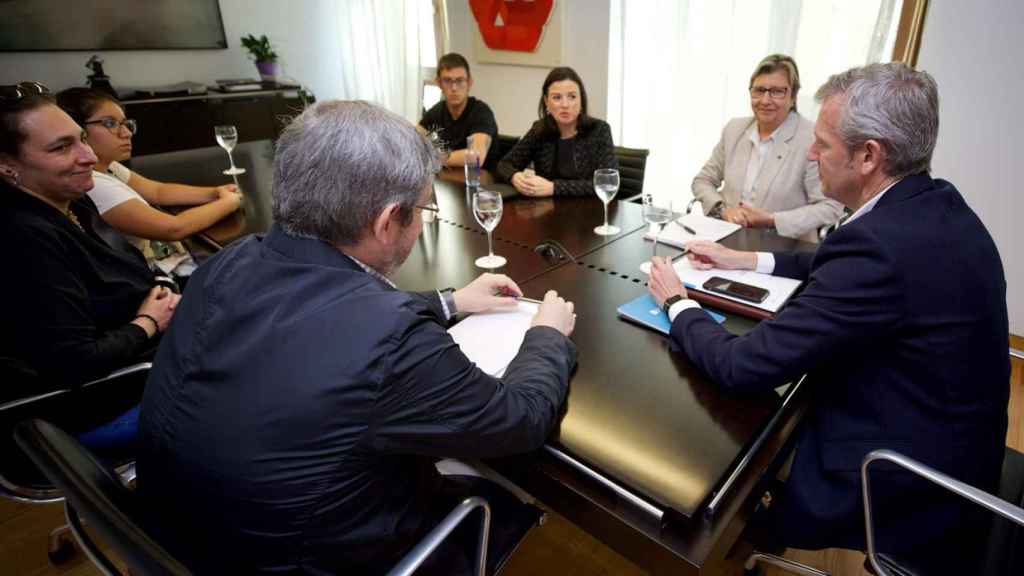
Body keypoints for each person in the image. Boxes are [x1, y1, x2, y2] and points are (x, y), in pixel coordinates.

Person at [137, 100, 578, 574]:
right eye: (422, 210)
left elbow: (318, 318)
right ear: (388, 221)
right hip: (306, 560)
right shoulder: (391, 338)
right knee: (497, 492)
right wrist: (547, 335)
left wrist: (451, 302)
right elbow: (520, 420)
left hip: (177, 544)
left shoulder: (230, 261)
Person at [648, 63, 1008, 568]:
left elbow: (742, 365)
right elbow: (833, 258)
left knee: (713, 482)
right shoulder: (928, 203)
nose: (812, 154)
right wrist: (748, 259)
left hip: (909, 481)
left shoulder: (880, 249)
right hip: (961, 443)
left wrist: (675, 301)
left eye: (823, 144)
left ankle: (734, 546)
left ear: (868, 156)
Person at [0, 82, 179, 455]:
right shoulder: (23, 239)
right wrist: (147, 324)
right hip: (95, 407)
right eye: (62, 147)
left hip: (151, 364)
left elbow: (132, 270)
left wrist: (159, 287)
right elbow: (74, 363)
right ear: (7, 165)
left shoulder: (71, 202)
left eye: (82, 138)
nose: (87, 156)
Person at [56, 87, 242, 281]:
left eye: (125, 123)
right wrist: (228, 202)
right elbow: (175, 228)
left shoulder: (108, 167)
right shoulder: (93, 184)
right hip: (164, 280)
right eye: (110, 123)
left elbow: (157, 191)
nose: (126, 133)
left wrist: (214, 192)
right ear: (77, 130)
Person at [692, 54, 843, 242]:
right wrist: (724, 210)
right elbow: (702, 181)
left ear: (793, 96)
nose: (765, 100)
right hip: (727, 238)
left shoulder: (811, 138)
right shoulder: (734, 129)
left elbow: (830, 207)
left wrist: (773, 220)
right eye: (759, 90)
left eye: (777, 91)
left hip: (784, 248)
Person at [496, 67, 618, 197]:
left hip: (590, 212)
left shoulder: (599, 130)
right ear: (546, 102)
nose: (565, 104)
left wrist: (553, 188)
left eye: (572, 97)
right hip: (547, 211)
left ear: (581, 100)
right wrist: (514, 176)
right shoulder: (539, 130)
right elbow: (504, 165)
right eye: (557, 97)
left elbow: (607, 183)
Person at [417, 52, 498, 169]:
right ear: (439, 83)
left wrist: (436, 158)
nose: (454, 88)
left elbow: (476, 156)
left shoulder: (481, 112)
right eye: (447, 81)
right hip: (448, 181)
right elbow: (413, 140)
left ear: (469, 82)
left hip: (481, 182)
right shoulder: (438, 110)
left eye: (460, 80)